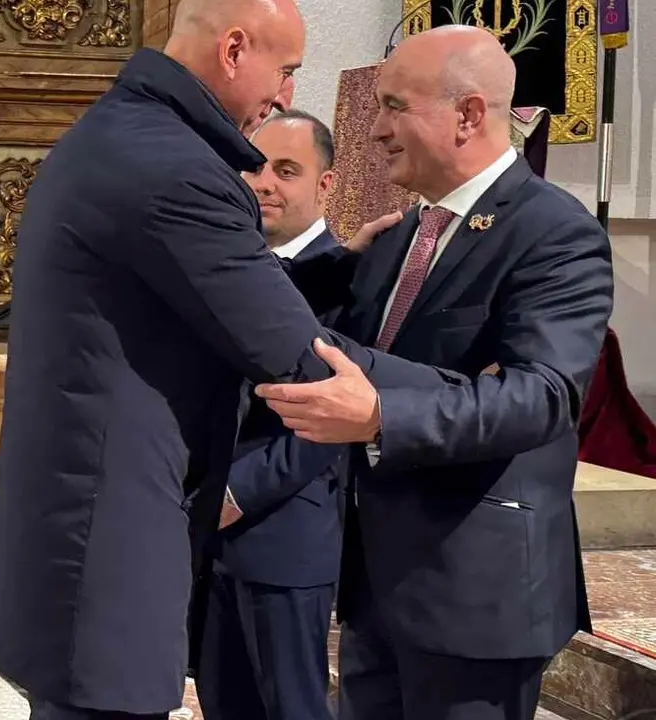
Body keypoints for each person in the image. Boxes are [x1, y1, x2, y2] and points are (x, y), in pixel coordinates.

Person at [0, 0, 463, 717]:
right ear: (235, 49)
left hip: (79, 533)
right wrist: (461, 395)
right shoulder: (177, 167)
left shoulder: (123, 133)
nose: (287, 95)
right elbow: (293, 356)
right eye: (288, 71)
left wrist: (333, 272)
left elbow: (188, 304)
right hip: (109, 547)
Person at [255, 26, 611, 720]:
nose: (375, 130)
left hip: (477, 598)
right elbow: (349, 341)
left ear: (470, 115)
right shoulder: (404, 236)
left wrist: (382, 416)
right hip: (378, 586)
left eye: (393, 106)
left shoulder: (552, 232)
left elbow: (542, 397)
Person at [196, 110, 344, 720]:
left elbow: (337, 416)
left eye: (287, 171)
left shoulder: (347, 277)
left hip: (287, 530)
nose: (264, 184)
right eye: (255, 167)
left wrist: (237, 490)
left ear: (325, 185)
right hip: (209, 532)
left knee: (292, 708)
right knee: (221, 702)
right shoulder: (226, 267)